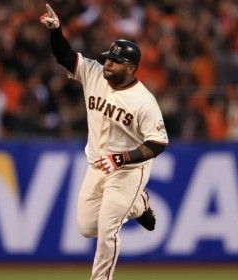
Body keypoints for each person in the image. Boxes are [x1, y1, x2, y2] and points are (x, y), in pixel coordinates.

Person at [40, 4, 168, 280]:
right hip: (97, 164)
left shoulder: (144, 101)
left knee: (108, 227)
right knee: (87, 227)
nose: (107, 63)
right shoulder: (95, 73)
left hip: (128, 170)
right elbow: (64, 56)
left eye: (115, 61)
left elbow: (158, 143)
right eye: (108, 58)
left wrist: (121, 159)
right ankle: (138, 206)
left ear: (131, 68)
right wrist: (55, 31)